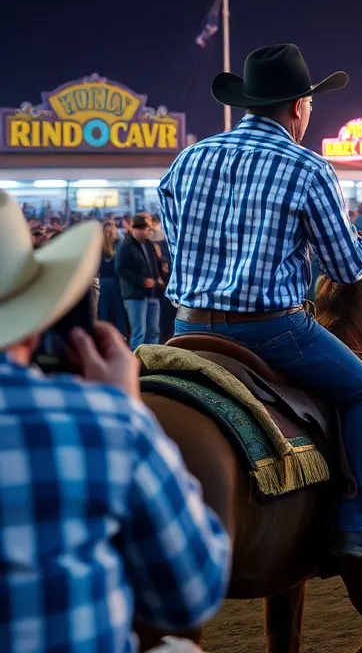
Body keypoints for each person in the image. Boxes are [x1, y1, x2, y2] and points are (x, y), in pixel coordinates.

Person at [161, 44, 362, 560]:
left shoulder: (189, 159)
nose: (310, 112)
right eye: (311, 104)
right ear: (297, 106)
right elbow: (342, 267)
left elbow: (177, 240)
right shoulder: (307, 168)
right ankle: (357, 521)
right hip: (270, 330)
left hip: (185, 327)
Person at [0, 191, 230, 651]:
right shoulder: (98, 422)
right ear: (33, 318)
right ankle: (356, 511)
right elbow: (193, 592)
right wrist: (126, 409)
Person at [115, 214, 163, 349]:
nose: (142, 231)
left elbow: (154, 265)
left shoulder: (149, 245)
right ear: (133, 229)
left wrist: (159, 276)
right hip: (135, 296)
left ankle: (152, 363)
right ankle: (136, 366)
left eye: (145, 228)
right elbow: (120, 270)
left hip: (152, 294)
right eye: (139, 228)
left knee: (153, 331)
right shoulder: (126, 246)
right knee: (139, 333)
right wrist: (142, 281)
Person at [97, 220, 128, 336]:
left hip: (104, 283)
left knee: (105, 314)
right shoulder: (117, 247)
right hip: (113, 283)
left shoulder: (98, 248)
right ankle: (119, 337)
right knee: (117, 313)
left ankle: (104, 338)